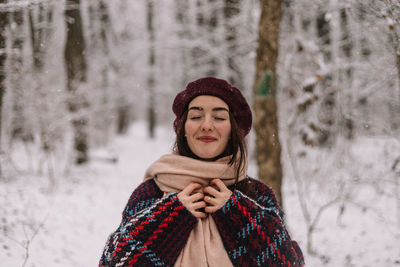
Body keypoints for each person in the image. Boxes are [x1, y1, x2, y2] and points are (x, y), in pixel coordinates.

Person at [99, 77, 304, 267]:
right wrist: (172, 216)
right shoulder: (152, 192)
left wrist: (237, 212)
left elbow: (289, 263)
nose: (207, 125)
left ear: (234, 130)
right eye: (196, 116)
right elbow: (113, 262)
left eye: (219, 117)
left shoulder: (258, 194)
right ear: (183, 129)